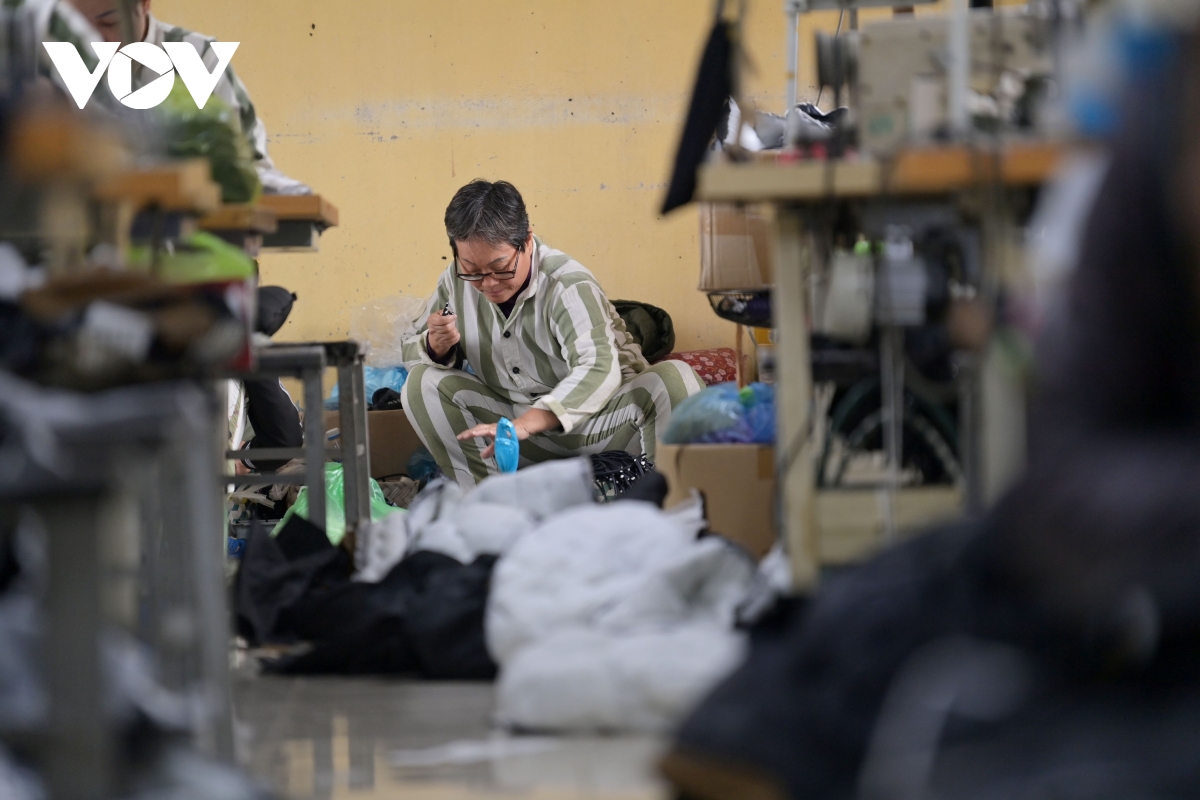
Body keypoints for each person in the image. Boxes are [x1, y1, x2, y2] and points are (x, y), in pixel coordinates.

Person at [401, 180, 703, 489]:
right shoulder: (454, 283)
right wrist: (435, 346)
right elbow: (409, 347)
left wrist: (529, 422)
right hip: (519, 440)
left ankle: (666, 502)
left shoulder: (566, 284)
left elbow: (599, 367)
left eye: (500, 267)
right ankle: (489, 502)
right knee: (422, 384)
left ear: (527, 241)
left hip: (606, 428)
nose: (487, 283)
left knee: (675, 379)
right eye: (472, 269)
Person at [67, 0, 309, 194]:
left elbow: (252, 172)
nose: (93, 40)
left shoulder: (198, 60)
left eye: (110, 22)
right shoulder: (61, 63)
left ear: (145, 4)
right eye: (77, 25)